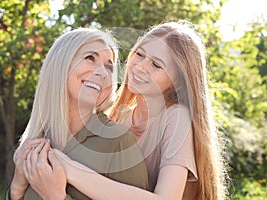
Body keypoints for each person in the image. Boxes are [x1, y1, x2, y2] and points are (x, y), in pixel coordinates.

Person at [54, 20, 227, 200]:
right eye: (140, 54)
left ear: (178, 81)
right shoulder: (120, 115)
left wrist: (70, 169)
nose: (141, 66)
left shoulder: (176, 118)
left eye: (156, 65)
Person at [8, 27, 149, 200]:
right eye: (90, 58)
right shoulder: (36, 142)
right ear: (60, 64)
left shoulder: (118, 142)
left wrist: (57, 197)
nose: (103, 72)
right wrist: (15, 190)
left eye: (109, 67)